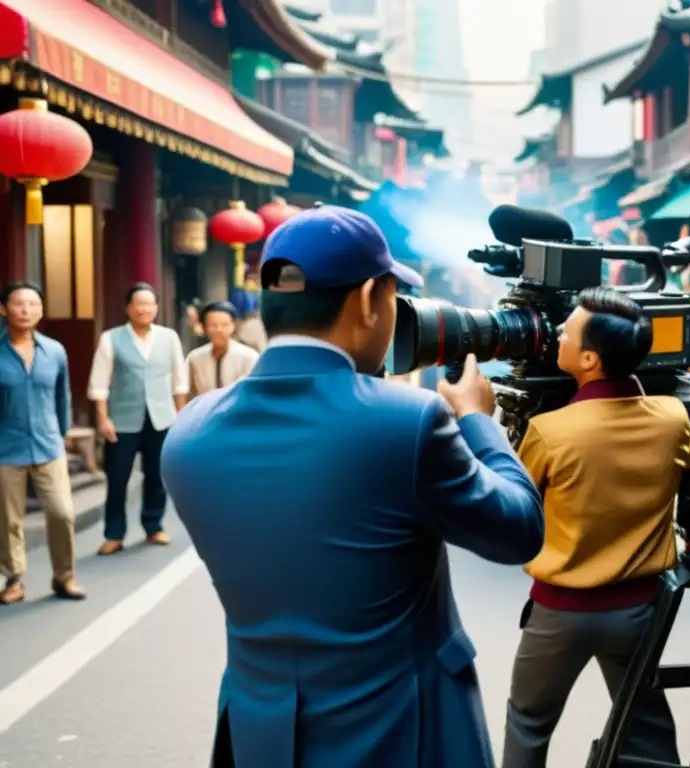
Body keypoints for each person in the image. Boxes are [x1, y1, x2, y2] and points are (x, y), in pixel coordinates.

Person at [160, 206, 545, 768]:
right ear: (369, 299)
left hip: (262, 729)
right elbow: (518, 532)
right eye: (395, 297)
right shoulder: (408, 421)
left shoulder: (189, 434)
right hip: (403, 728)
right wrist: (480, 421)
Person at [502, 288, 690, 768]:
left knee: (528, 722)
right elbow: (689, 459)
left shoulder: (552, 430)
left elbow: (519, 499)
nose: (556, 335)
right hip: (638, 610)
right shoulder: (674, 418)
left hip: (561, 613)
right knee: (646, 725)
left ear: (588, 359)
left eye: (565, 331)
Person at [87, 283, 188, 555]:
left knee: (157, 476)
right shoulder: (111, 338)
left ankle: (154, 525)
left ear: (156, 308)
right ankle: (114, 533)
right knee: (117, 479)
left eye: (149, 304)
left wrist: (179, 416)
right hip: (122, 420)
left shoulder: (169, 338)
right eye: (138, 304)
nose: (144, 309)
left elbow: (180, 381)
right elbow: (99, 382)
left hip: (161, 419)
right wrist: (103, 419)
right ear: (128, 308)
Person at [0, 282, 85, 604]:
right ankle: (14, 579)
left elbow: (62, 396)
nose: (26, 310)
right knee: (8, 520)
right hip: (6, 447)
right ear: (4, 309)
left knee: (62, 512)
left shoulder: (55, 351)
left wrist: (62, 434)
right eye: (19, 304)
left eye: (33, 304)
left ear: (41, 309)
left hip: (48, 445)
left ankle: (65, 577)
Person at [185, 301, 259, 400]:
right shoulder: (195, 358)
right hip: (205, 412)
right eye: (213, 325)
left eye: (225, 324)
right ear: (204, 327)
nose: (219, 329)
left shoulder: (249, 357)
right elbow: (189, 393)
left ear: (233, 326)